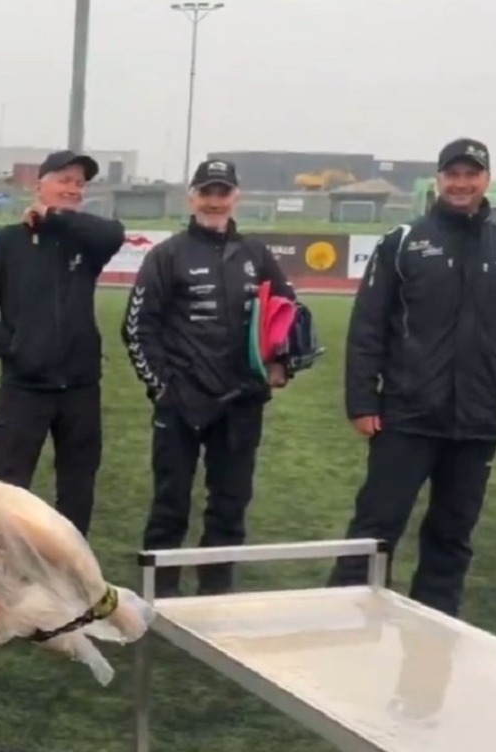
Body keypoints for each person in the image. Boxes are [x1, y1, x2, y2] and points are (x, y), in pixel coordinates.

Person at [328, 137, 496, 617]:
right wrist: (362, 401)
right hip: (407, 415)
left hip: (477, 421)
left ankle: (436, 626)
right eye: (453, 174)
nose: (461, 183)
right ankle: (345, 622)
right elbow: (368, 326)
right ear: (439, 179)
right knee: (376, 528)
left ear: (486, 180)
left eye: (471, 174)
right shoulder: (404, 241)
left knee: (452, 535)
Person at [121, 159, 296, 597]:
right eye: (206, 192)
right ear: (192, 198)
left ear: (236, 197)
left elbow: (289, 316)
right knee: (170, 506)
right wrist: (162, 388)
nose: (214, 201)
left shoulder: (257, 255)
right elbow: (137, 327)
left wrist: (282, 363)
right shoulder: (167, 255)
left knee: (229, 508)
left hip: (242, 403)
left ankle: (216, 597)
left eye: (223, 192)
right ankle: (159, 598)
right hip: (182, 404)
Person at [0, 150, 128, 537]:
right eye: (64, 180)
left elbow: (114, 234)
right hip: (24, 387)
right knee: (7, 485)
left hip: (81, 386)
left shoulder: (87, 243)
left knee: (77, 486)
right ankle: (5, 563)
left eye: (79, 183)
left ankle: (71, 562)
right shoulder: (7, 242)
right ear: (40, 184)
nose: (73, 189)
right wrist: (15, 351)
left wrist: (53, 217)